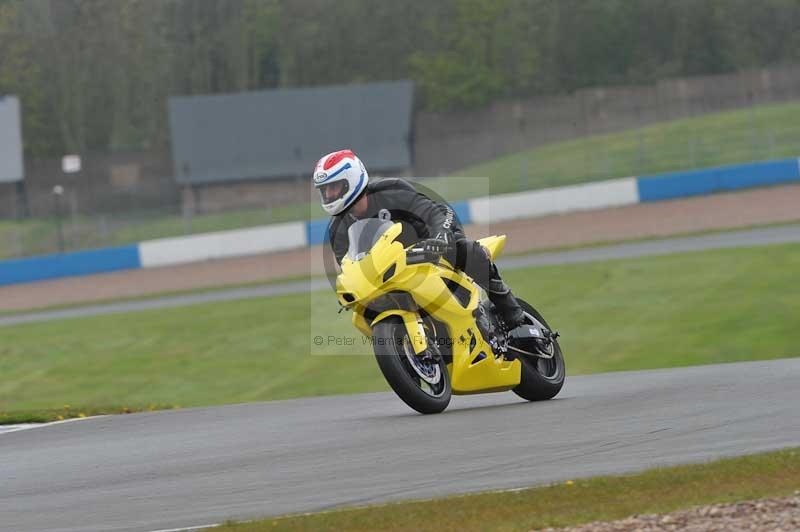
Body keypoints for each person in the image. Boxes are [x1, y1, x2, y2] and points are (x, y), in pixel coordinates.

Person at [315, 149, 526, 331]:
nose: (328, 193)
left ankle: (514, 314)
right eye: (324, 190)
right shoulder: (338, 231)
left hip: (431, 237)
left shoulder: (390, 191)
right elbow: (350, 267)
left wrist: (440, 236)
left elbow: (431, 212)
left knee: (466, 251)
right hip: (393, 267)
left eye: (333, 186)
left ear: (351, 179)